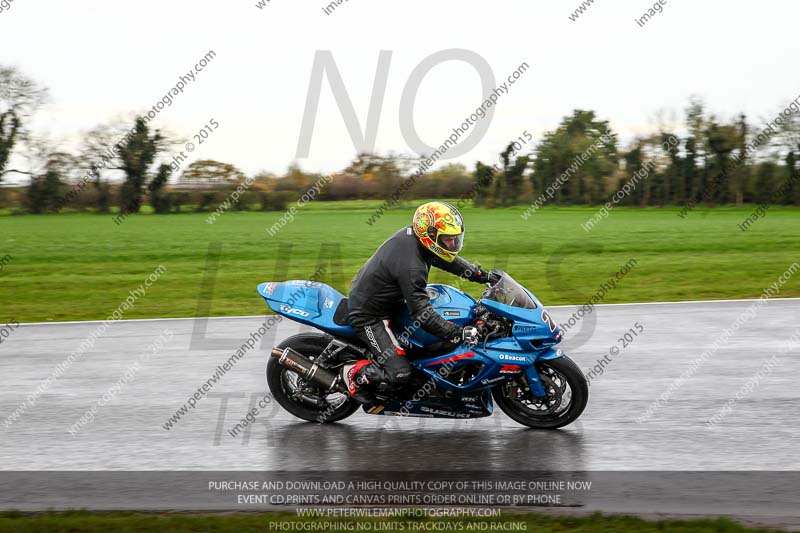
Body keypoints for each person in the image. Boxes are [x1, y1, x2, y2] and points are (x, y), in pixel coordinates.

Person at [342, 201, 498, 404]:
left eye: (454, 239)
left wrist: (482, 276)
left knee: (433, 340)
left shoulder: (419, 242)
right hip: (370, 315)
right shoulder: (412, 267)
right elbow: (422, 315)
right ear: (429, 235)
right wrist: (458, 333)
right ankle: (354, 373)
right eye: (448, 239)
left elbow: (449, 261)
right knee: (400, 373)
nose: (452, 244)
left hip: (392, 301)